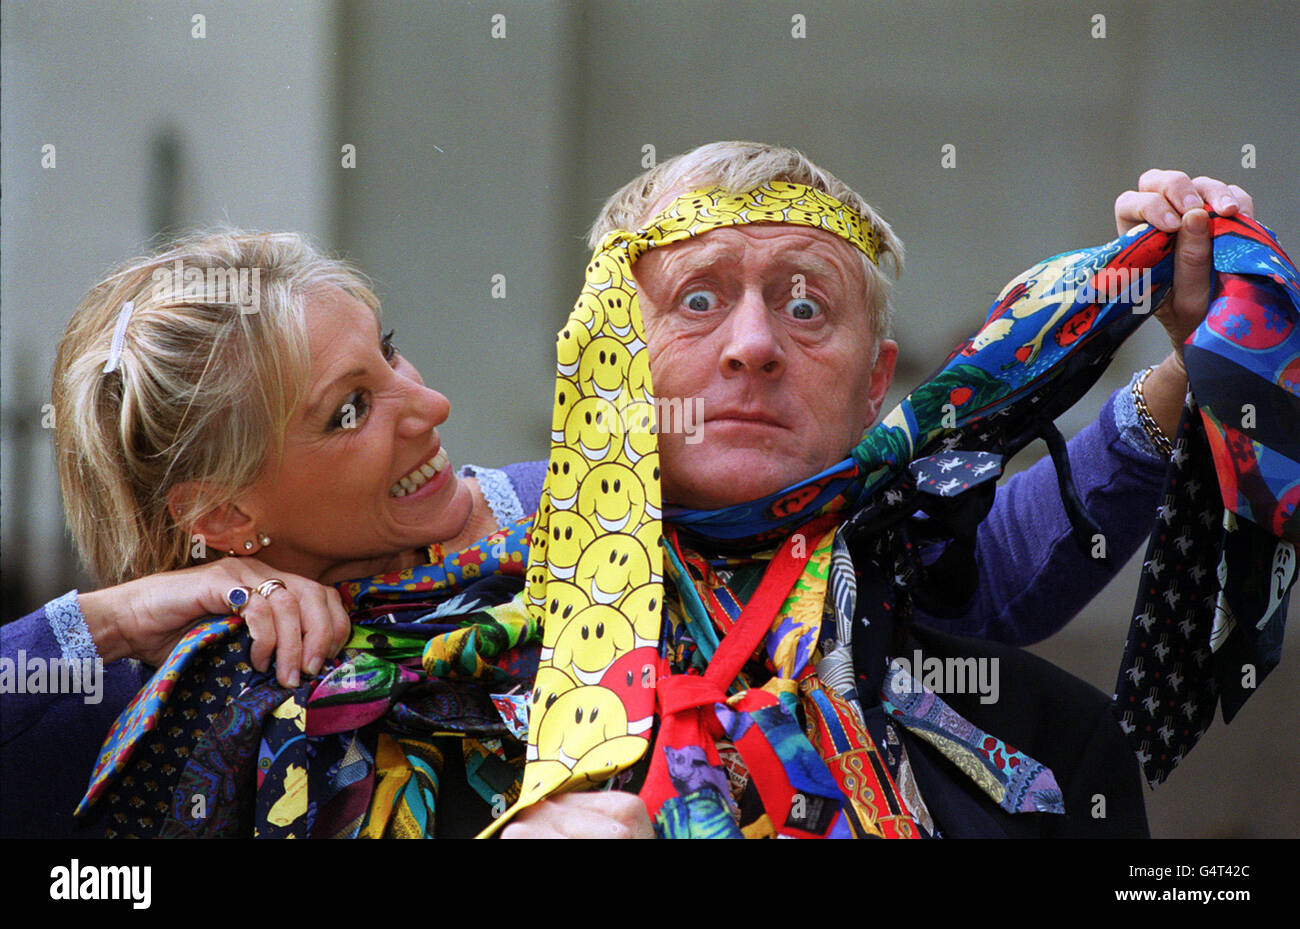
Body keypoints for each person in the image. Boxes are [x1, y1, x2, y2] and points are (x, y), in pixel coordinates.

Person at [3, 148, 1265, 838]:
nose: (425, 404)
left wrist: (1184, 368)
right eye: (698, 299)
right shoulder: (215, 678)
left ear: (878, 376)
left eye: (807, 304)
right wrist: (124, 614)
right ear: (609, 354)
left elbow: (980, 564)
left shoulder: (996, 711)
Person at [0, 231, 545, 836]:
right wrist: (116, 619)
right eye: (351, 409)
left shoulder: (577, 522)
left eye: (388, 351)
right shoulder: (158, 709)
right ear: (224, 516)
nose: (432, 405)